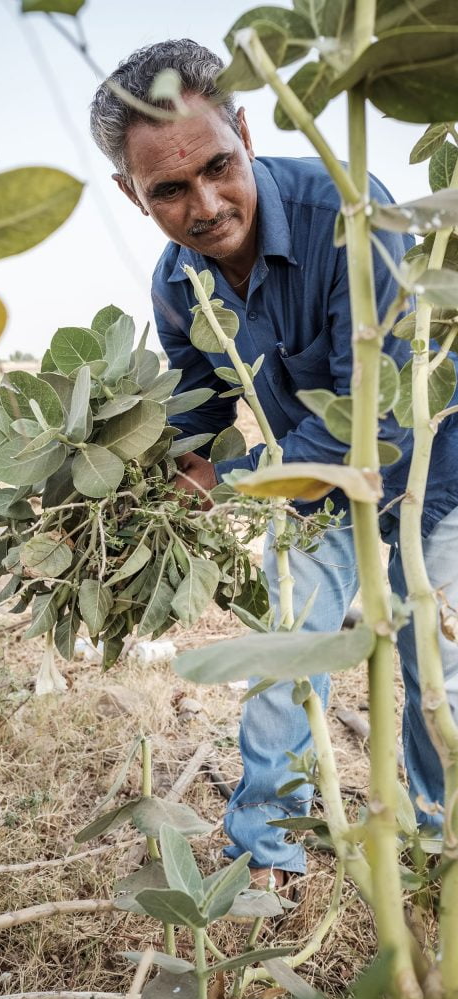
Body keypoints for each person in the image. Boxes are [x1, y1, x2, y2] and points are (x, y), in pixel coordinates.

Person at [90, 39, 458, 889]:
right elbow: (195, 414)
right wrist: (144, 481)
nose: (207, 205)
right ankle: (263, 864)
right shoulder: (178, 282)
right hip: (312, 492)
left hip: (435, 478)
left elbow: (380, 411)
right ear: (129, 192)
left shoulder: (347, 208)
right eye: (168, 191)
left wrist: (228, 477)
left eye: (218, 165)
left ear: (245, 130)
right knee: (281, 664)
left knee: (436, 677)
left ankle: (441, 850)